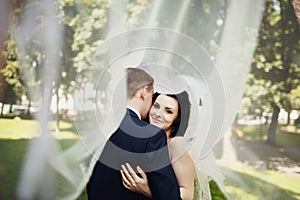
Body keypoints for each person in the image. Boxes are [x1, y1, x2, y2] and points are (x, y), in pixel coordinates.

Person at [86, 67, 181, 200]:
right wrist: (150, 191)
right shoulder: (152, 135)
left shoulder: (99, 130)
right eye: (152, 96)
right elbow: (169, 196)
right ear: (144, 91)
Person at [120, 91, 197, 200]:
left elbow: (188, 194)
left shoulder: (175, 144)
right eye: (156, 106)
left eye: (168, 111)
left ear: (177, 119)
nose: (158, 114)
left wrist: (148, 191)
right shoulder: (144, 139)